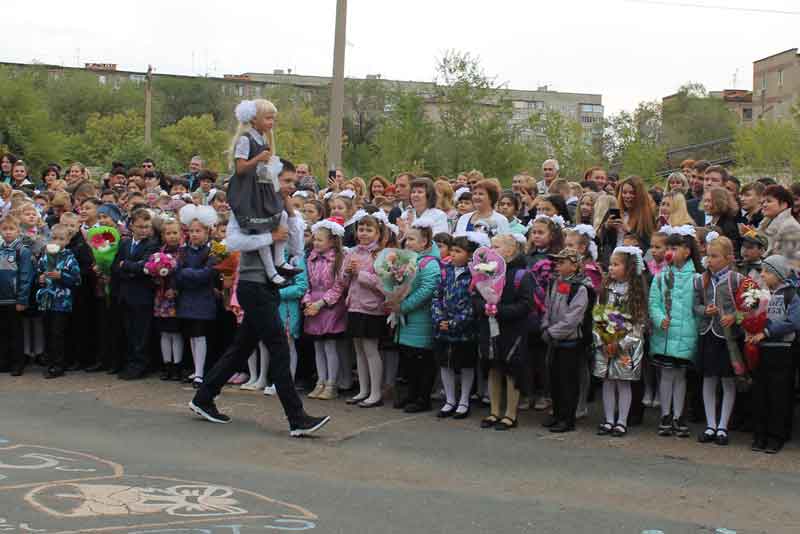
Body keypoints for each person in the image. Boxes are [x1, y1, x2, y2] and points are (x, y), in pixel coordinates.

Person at [227, 99, 302, 287]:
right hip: (248, 190)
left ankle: (279, 260)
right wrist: (259, 158)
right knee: (261, 226)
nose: (271, 123)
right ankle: (270, 271)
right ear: (253, 119)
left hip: (263, 186)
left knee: (280, 216)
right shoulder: (246, 139)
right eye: (268, 118)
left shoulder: (264, 139)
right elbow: (240, 168)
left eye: (273, 119)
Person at [477, 234, 534, 430]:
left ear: (510, 250)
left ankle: (510, 414)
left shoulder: (521, 275)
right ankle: (494, 411)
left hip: (512, 329)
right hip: (489, 327)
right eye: (490, 246)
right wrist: (483, 307)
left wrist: (500, 310)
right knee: (493, 368)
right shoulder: (485, 271)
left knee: (511, 371)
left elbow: (526, 304)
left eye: (497, 247)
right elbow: (475, 294)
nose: (491, 250)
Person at [649, 225, 702, 438]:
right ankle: (665, 414)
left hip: (686, 334)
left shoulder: (697, 277)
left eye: (675, 247)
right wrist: (660, 318)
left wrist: (694, 328)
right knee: (666, 375)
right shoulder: (662, 275)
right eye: (668, 247)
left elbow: (698, 306)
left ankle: (679, 415)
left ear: (687, 251)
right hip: (665, 333)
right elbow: (654, 301)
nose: (670, 251)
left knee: (680, 376)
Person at [694, 234, 743, 446]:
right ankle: (710, 424)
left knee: (727, 380)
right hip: (708, 334)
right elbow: (694, 305)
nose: (710, 260)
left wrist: (734, 316)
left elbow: (748, 308)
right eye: (708, 256)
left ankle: (723, 425)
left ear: (728, 258)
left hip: (728, 338)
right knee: (708, 378)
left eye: (714, 256)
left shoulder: (736, 279)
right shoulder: (700, 279)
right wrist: (705, 310)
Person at [594, 246, 648, 438]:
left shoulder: (635, 293)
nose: (611, 268)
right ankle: (609, 419)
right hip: (606, 343)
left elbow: (639, 324)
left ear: (630, 268)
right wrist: (603, 339)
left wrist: (621, 343)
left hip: (626, 347)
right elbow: (598, 315)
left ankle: (622, 421)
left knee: (623, 382)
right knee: (608, 382)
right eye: (610, 264)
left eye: (616, 265)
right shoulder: (606, 289)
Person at [749, 255, 800, 454]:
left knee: (779, 395)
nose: (763, 274)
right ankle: (760, 434)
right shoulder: (760, 294)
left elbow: (794, 322)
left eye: (767, 272)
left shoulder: (791, 295)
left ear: (778, 274)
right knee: (760, 394)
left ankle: (777, 435)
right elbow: (751, 315)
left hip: (782, 350)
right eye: (762, 270)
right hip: (762, 349)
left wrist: (768, 331)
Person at [432, 233, 486, 419]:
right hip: (443, 325)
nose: (453, 254)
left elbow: (474, 303)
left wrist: (456, 322)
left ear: (469, 254)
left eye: (458, 251)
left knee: (465, 364)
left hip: (464, 329)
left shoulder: (475, 274)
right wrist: (440, 319)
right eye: (452, 250)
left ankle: (464, 400)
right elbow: (437, 295)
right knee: (445, 363)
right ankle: (450, 399)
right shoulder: (445, 270)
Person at [392, 220, 441, 413]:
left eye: (412, 239)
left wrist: (404, 306)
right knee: (409, 359)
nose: (407, 243)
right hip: (407, 320)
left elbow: (427, 289)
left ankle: (422, 398)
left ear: (425, 242)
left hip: (421, 319)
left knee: (422, 361)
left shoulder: (429, 263)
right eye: (406, 239)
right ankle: (411, 395)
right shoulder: (408, 260)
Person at [541, 248, 590, 433]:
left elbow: (573, 318)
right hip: (553, 340)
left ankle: (567, 418)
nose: (558, 266)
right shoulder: (554, 282)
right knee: (554, 379)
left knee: (568, 381)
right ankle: (556, 412)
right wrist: (545, 326)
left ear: (575, 265)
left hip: (569, 341)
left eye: (562, 262)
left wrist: (554, 332)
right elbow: (547, 306)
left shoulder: (580, 288)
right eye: (557, 262)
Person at [341, 213, 387, 407]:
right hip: (354, 306)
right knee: (358, 350)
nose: (364, 233)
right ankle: (363, 390)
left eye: (369, 230)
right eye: (361, 229)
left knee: (370, 350)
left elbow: (383, 284)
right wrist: (347, 272)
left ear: (378, 233)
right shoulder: (351, 253)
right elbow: (343, 281)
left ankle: (376, 393)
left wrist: (360, 274)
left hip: (371, 309)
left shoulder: (381, 255)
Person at [303, 217, 348, 401]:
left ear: (331, 241)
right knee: (318, 346)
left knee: (330, 346)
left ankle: (332, 383)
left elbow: (338, 286)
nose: (316, 243)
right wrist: (307, 302)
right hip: (312, 305)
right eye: (314, 239)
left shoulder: (338, 259)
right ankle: (320, 381)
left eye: (320, 240)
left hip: (330, 307)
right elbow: (306, 283)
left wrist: (320, 304)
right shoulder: (311, 258)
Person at [112, 209, 160, 380]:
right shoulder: (125, 243)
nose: (143, 230)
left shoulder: (152, 244)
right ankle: (130, 361)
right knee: (129, 330)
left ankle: (141, 364)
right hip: (125, 293)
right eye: (140, 226)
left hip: (142, 295)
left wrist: (128, 267)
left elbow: (145, 267)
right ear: (131, 225)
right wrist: (128, 268)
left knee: (142, 332)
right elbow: (116, 265)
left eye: (147, 227)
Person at [176, 205, 220, 389]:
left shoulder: (213, 251)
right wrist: (189, 273)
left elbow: (207, 274)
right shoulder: (184, 251)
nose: (194, 234)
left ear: (208, 231)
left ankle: (201, 373)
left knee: (200, 333)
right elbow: (177, 273)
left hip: (203, 298)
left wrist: (187, 273)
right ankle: (196, 368)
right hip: (188, 297)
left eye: (198, 231)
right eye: (191, 231)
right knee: (192, 335)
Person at [36, 224, 81, 379]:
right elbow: (39, 272)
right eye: (54, 238)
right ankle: (49, 361)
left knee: (57, 333)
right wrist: (41, 278)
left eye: (61, 239)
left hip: (61, 302)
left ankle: (58, 364)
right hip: (46, 300)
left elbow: (76, 280)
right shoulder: (45, 256)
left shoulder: (69, 258)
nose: (57, 241)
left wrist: (61, 276)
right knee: (47, 331)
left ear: (68, 240)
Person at [0, 215, 35, 375]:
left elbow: (26, 276)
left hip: (14, 299)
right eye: (4, 229)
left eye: (11, 229)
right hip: (1, 297)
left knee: (16, 332)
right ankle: (4, 361)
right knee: (3, 332)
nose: (8, 232)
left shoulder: (22, 251)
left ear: (18, 231)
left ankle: (17, 363)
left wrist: (22, 298)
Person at [154, 218, 183, 381]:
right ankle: (167, 364)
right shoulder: (160, 253)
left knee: (175, 332)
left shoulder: (182, 253)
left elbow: (182, 273)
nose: (171, 236)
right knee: (164, 332)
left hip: (176, 298)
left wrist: (176, 289)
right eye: (168, 233)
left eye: (174, 233)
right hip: (161, 297)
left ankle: (178, 365)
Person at [758, 185, 800, 256]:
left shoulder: (790, 228)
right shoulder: (766, 222)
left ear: (784, 204)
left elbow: (785, 260)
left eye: (769, 201)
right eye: (763, 202)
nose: (764, 205)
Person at [703, 187, 741, 256]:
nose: (705, 204)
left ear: (720, 202)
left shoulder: (728, 225)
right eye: (705, 201)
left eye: (709, 201)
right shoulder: (711, 222)